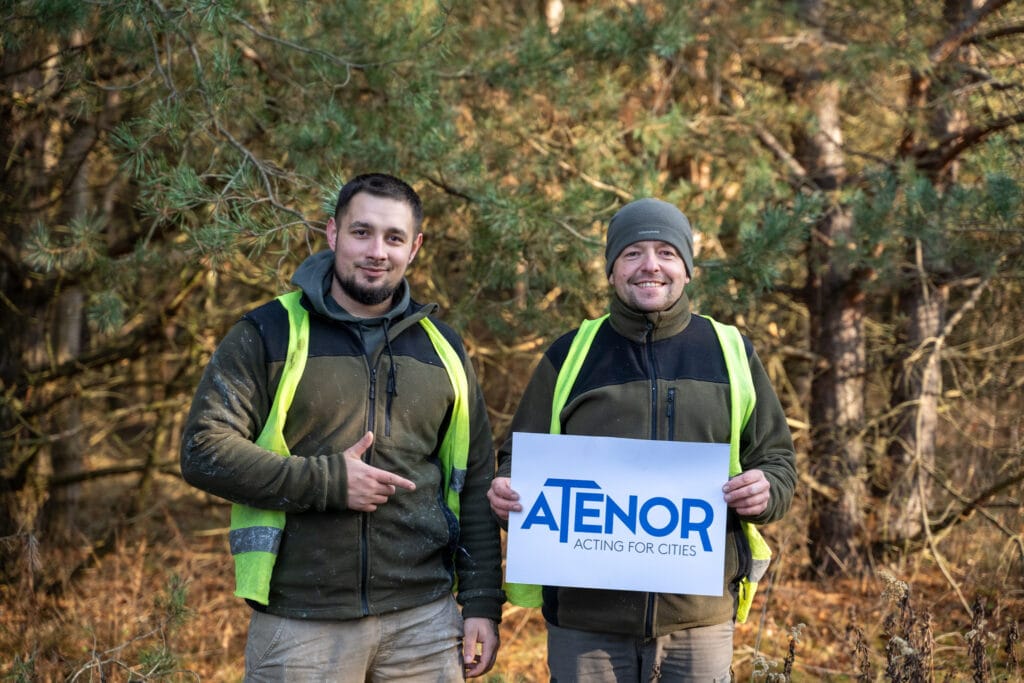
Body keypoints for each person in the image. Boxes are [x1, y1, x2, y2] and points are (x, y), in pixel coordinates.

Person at [181, 173, 504, 681]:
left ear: (414, 247)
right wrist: (328, 481)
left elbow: (476, 480)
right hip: (301, 624)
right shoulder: (268, 332)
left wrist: (482, 601)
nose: (377, 251)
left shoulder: (443, 348)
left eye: (394, 237)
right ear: (332, 233)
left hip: (424, 623)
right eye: (362, 232)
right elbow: (203, 450)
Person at [487, 198, 797, 682]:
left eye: (665, 252)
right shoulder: (569, 355)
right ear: (611, 270)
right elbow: (516, 461)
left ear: (687, 270)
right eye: (632, 253)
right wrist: (506, 491)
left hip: (698, 619)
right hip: (585, 624)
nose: (650, 265)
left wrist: (766, 490)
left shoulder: (731, 351)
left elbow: (777, 461)